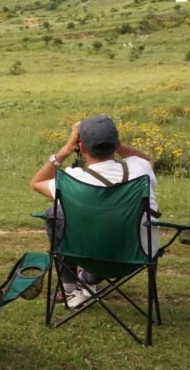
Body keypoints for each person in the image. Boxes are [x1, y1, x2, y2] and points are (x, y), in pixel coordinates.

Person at [29, 114, 159, 310]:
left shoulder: (72, 179)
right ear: (116, 145)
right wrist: (117, 145)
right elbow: (147, 160)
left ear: (81, 148)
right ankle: (88, 280)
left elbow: (36, 183)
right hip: (138, 257)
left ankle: (70, 285)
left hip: (90, 258)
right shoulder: (141, 168)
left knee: (54, 213)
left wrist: (66, 149)